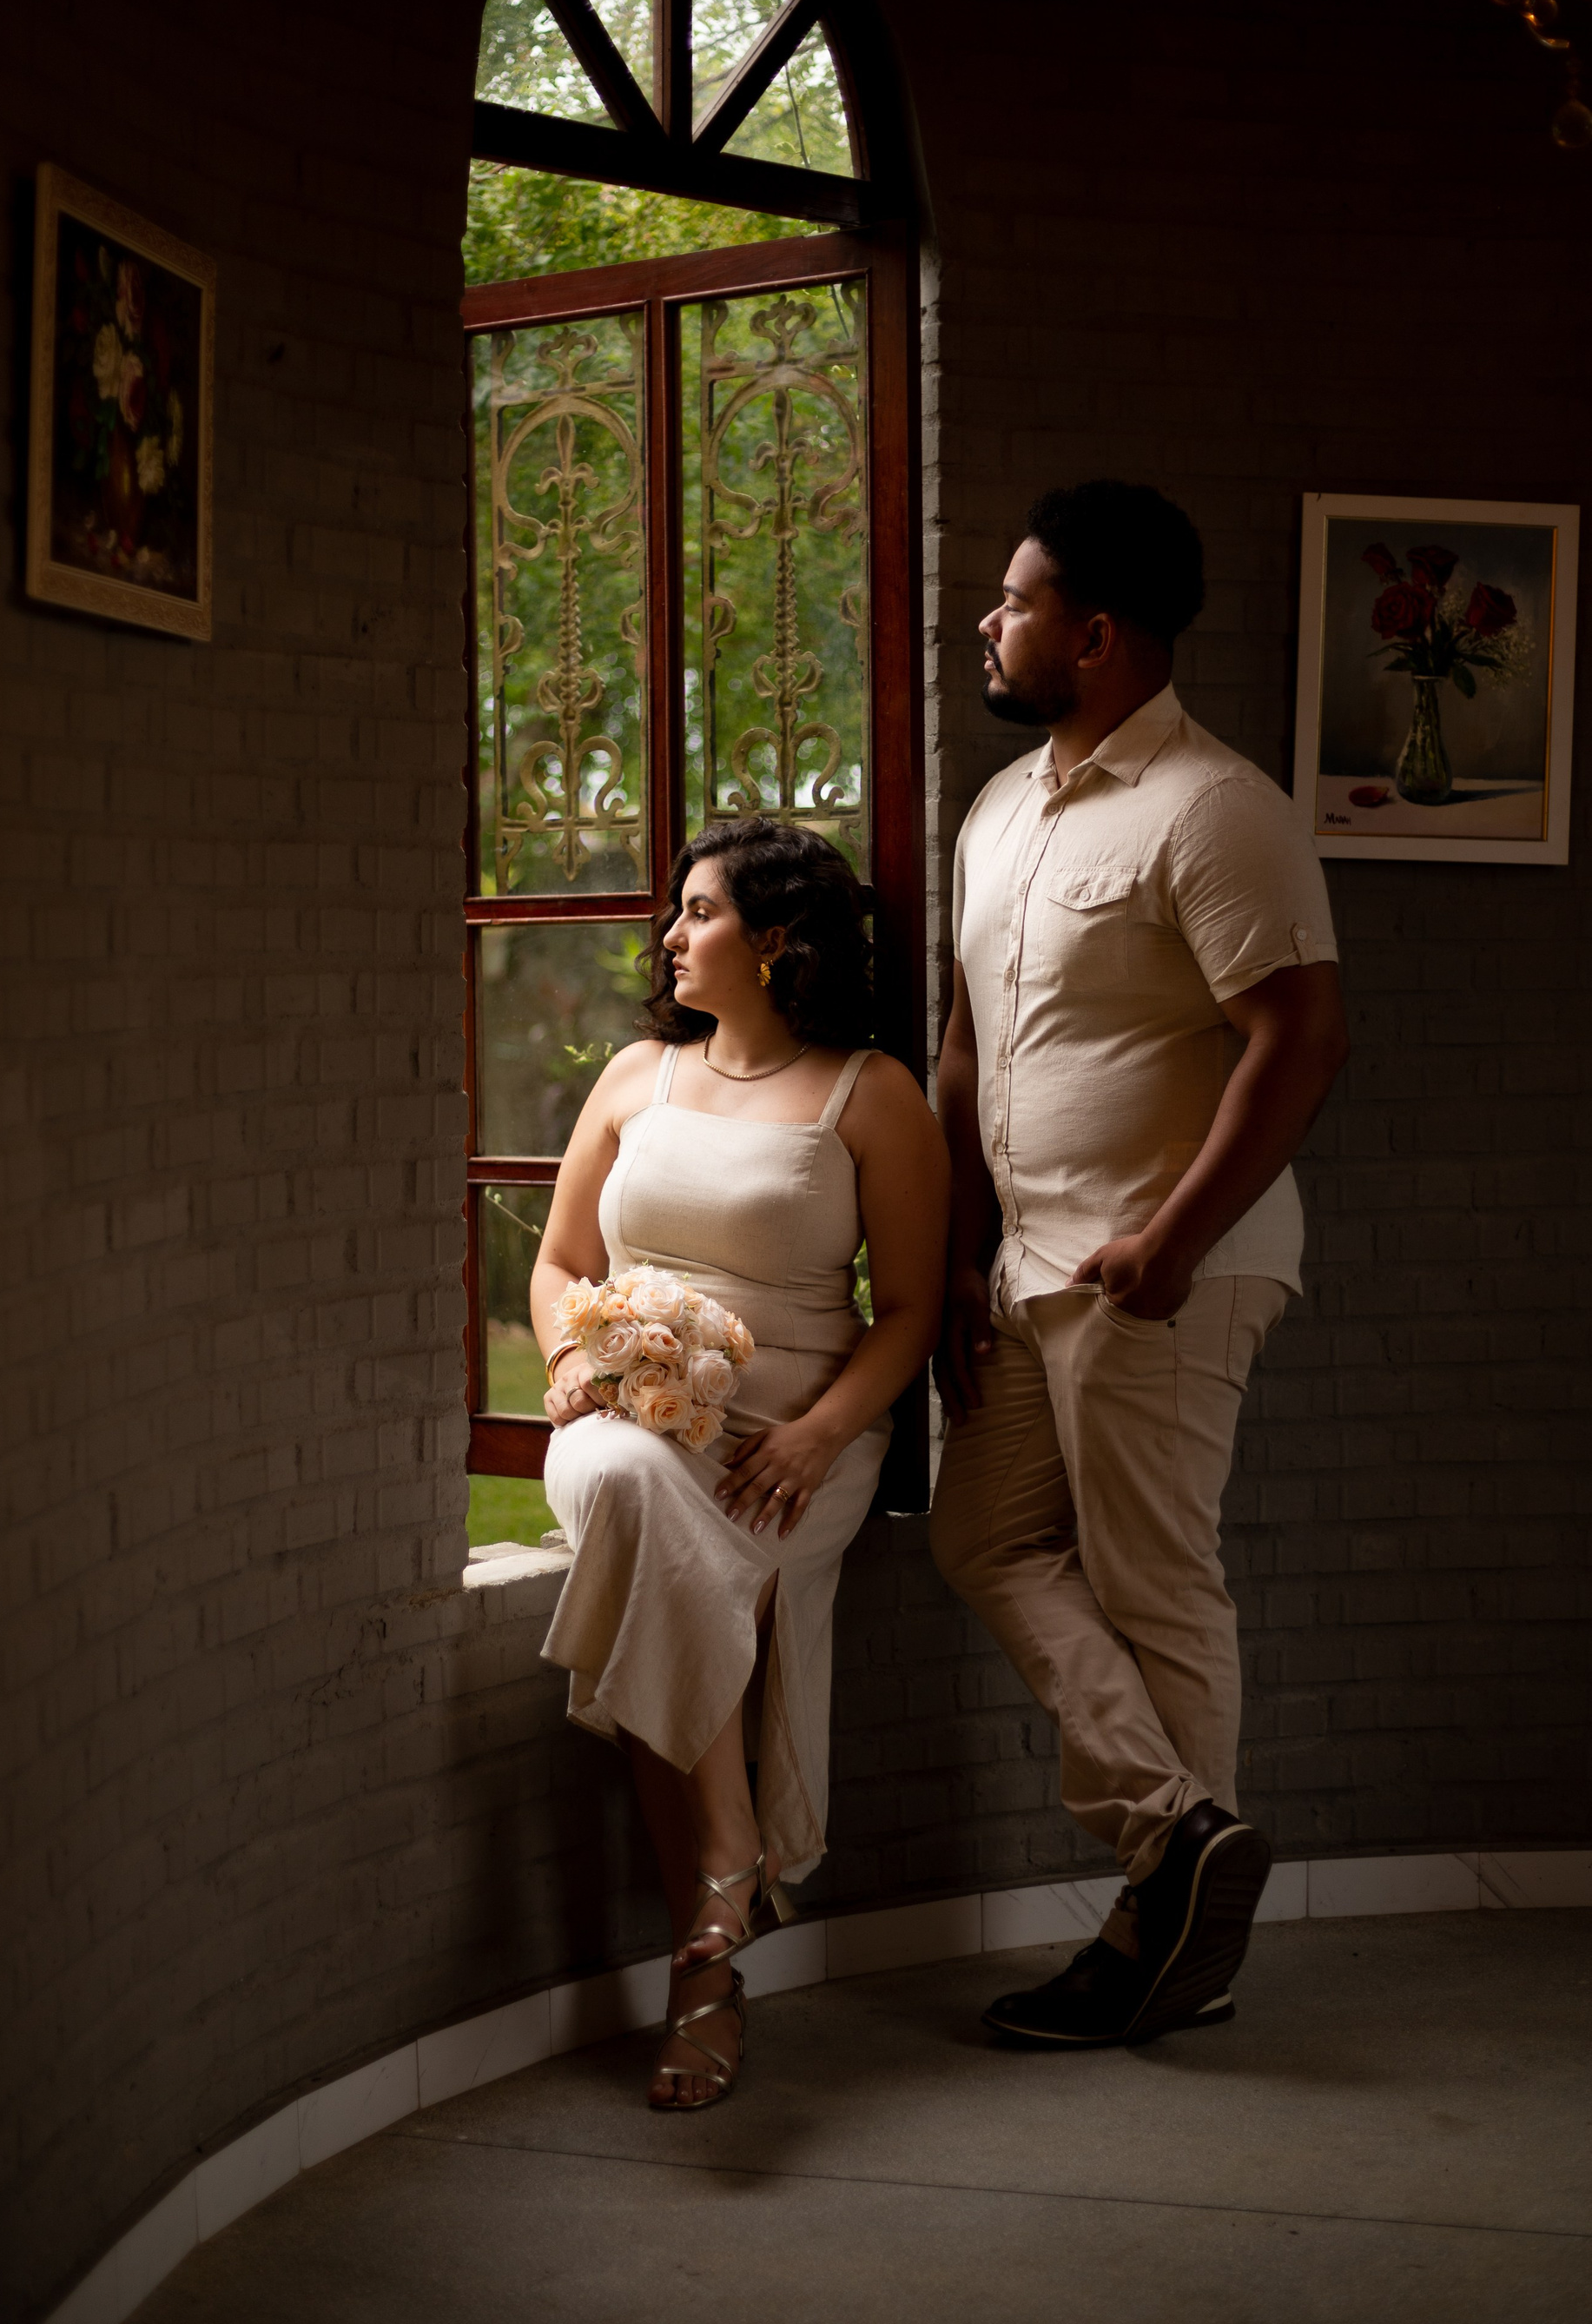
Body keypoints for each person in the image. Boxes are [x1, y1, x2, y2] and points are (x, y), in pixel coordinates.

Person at [931, 480, 1349, 2049]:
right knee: (984, 1539)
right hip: (1026, 1269)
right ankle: (1179, 1841)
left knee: (1155, 1585)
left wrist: (1173, 1242)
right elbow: (967, 1047)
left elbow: (1301, 1038)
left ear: (1095, 634)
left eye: (1016, 600)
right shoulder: (999, 810)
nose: (989, 621)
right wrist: (961, 1252)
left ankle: (1164, 1945)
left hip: (1163, 1267)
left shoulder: (1216, 807)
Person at [532, 818, 948, 2111]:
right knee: (629, 1489)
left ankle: (704, 1989)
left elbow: (911, 1313)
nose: (669, 936)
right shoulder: (634, 1078)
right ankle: (730, 1852)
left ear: (777, 940)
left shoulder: (870, 1094)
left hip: (792, 1444)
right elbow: (557, 1264)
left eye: (699, 912)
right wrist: (574, 1362)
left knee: (661, 1578)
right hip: (627, 1423)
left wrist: (822, 1435)